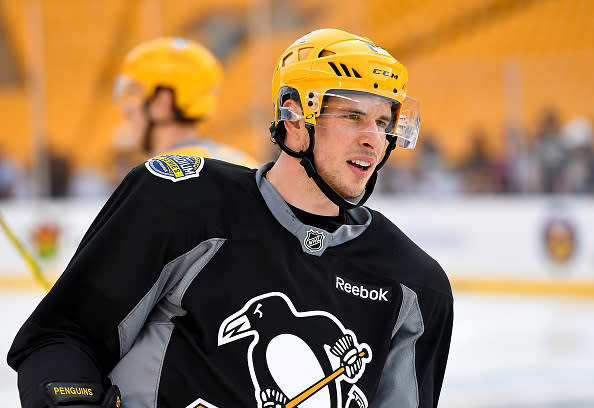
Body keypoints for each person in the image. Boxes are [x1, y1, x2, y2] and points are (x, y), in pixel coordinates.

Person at [8, 28, 453, 408]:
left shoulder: (415, 285)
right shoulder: (179, 202)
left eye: (383, 121)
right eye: (353, 115)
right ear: (294, 117)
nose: (373, 139)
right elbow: (61, 340)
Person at [111, 36, 259, 178]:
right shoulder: (245, 166)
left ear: (163, 102)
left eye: (135, 92)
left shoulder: (157, 179)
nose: (127, 111)